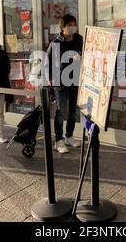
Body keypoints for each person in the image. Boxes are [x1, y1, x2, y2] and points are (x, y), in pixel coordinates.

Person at [47, 14, 82, 154]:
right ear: (63, 27)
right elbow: (48, 62)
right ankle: (59, 141)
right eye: (70, 25)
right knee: (60, 112)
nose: (73, 27)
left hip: (75, 80)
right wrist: (50, 77)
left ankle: (69, 137)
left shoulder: (79, 40)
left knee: (73, 112)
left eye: (74, 24)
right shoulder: (56, 42)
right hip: (60, 82)